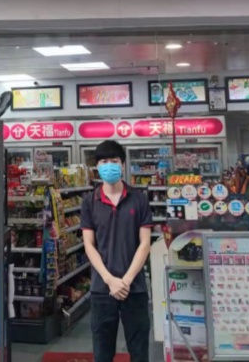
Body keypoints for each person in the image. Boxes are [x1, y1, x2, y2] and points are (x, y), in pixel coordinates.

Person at [81, 140, 153, 362]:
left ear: (122, 164)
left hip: (135, 288)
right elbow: (89, 245)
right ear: (97, 166)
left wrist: (126, 280)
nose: (109, 165)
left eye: (114, 161)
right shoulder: (89, 202)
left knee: (139, 352)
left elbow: (145, 243)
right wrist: (110, 280)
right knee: (102, 354)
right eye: (104, 161)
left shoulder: (139, 199)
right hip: (102, 289)